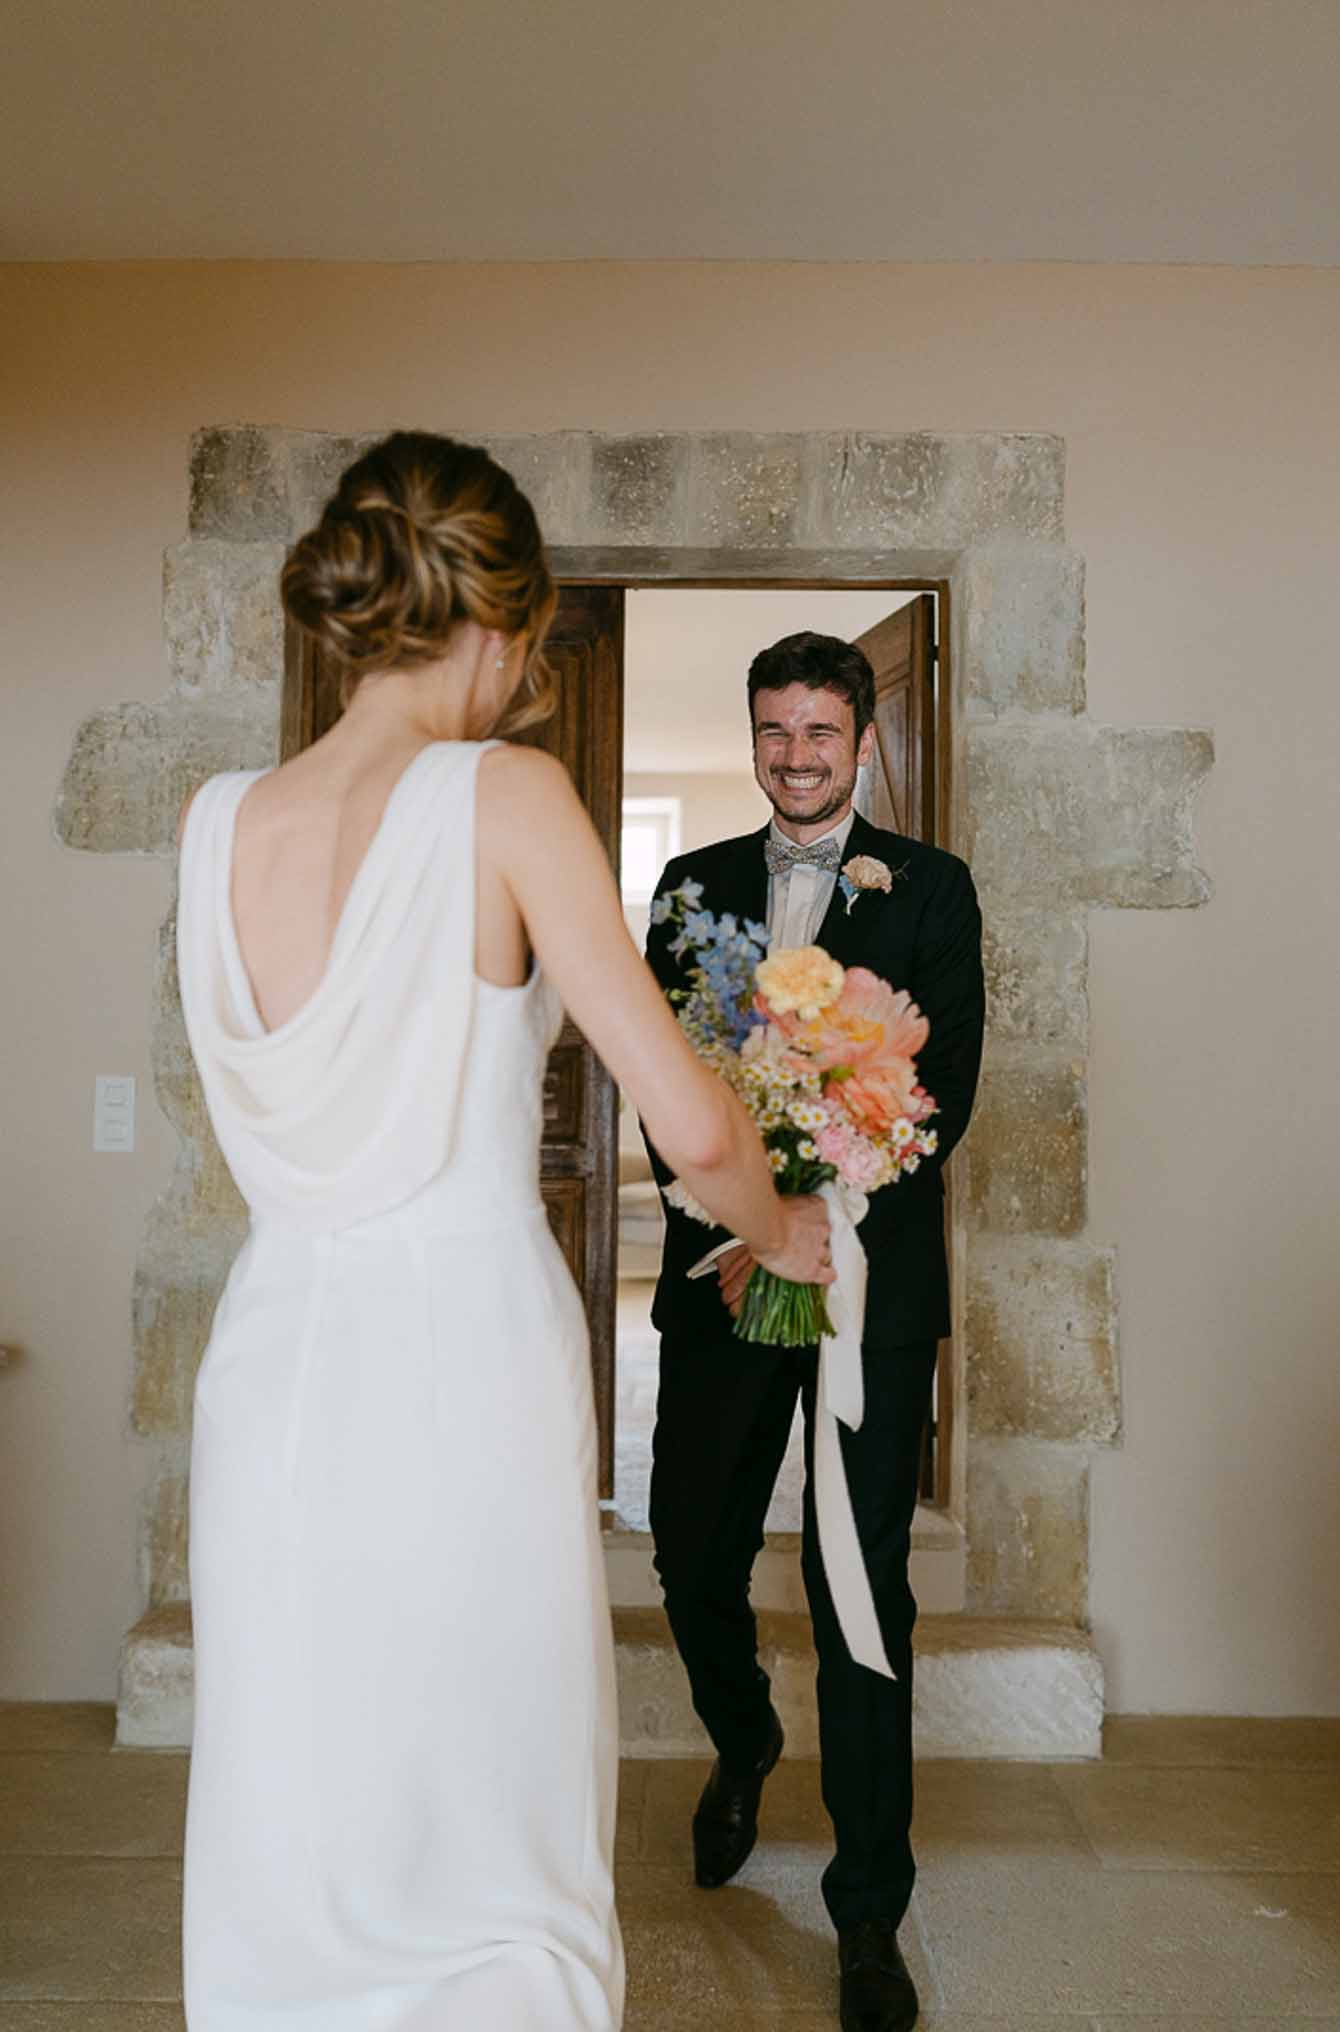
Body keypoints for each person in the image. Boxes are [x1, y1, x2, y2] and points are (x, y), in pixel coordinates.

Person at [174, 431, 833, 2031]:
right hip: (459, 1346)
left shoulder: (214, 822)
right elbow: (687, 1122)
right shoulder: (506, 792)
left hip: (272, 1363)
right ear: (502, 618)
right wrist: (788, 1227)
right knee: (483, 1781)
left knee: (295, 1778)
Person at [644, 631, 985, 2032]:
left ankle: (865, 1917)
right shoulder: (690, 888)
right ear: (755, 738)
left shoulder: (931, 889)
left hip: (866, 1292)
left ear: (858, 742)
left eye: (819, 733)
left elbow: (941, 1089)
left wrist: (820, 1180)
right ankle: (740, 1740)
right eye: (774, 732)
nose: (796, 756)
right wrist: (745, 1208)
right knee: (687, 1548)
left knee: (860, 1591)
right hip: (724, 1276)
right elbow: (663, 1070)